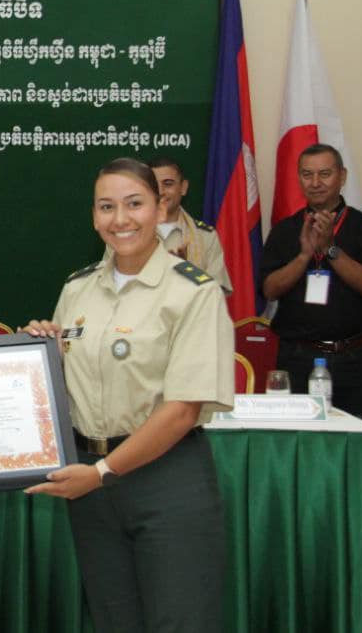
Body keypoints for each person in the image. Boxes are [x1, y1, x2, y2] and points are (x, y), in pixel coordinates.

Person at [22, 157, 234, 633]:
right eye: (106, 206)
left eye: (134, 204)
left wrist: (102, 473)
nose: (120, 219)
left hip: (166, 479)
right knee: (114, 620)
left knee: (180, 621)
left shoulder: (194, 292)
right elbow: (64, 386)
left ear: (160, 207)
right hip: (91, 485)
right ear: (94, 216)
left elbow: (182, 410)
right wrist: (40, 354)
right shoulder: (77, 289)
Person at [260, 143, 362, 424]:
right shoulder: (285, 230)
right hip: (298, 358)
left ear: (342, 176)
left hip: (354, 359)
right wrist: (304, 256)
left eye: (325, 174)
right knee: (299, 443)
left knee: (354, 442)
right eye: (307, 175)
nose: (315, 183)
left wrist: (330, 248)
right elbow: (269, 290)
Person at [147, 155, 232, 293]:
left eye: (168, 184)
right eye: (154, 185)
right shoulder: (129, 233)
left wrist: (187, 272)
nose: (161, 191)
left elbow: (217, 294)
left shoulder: (206, 236)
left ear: (183, 187)